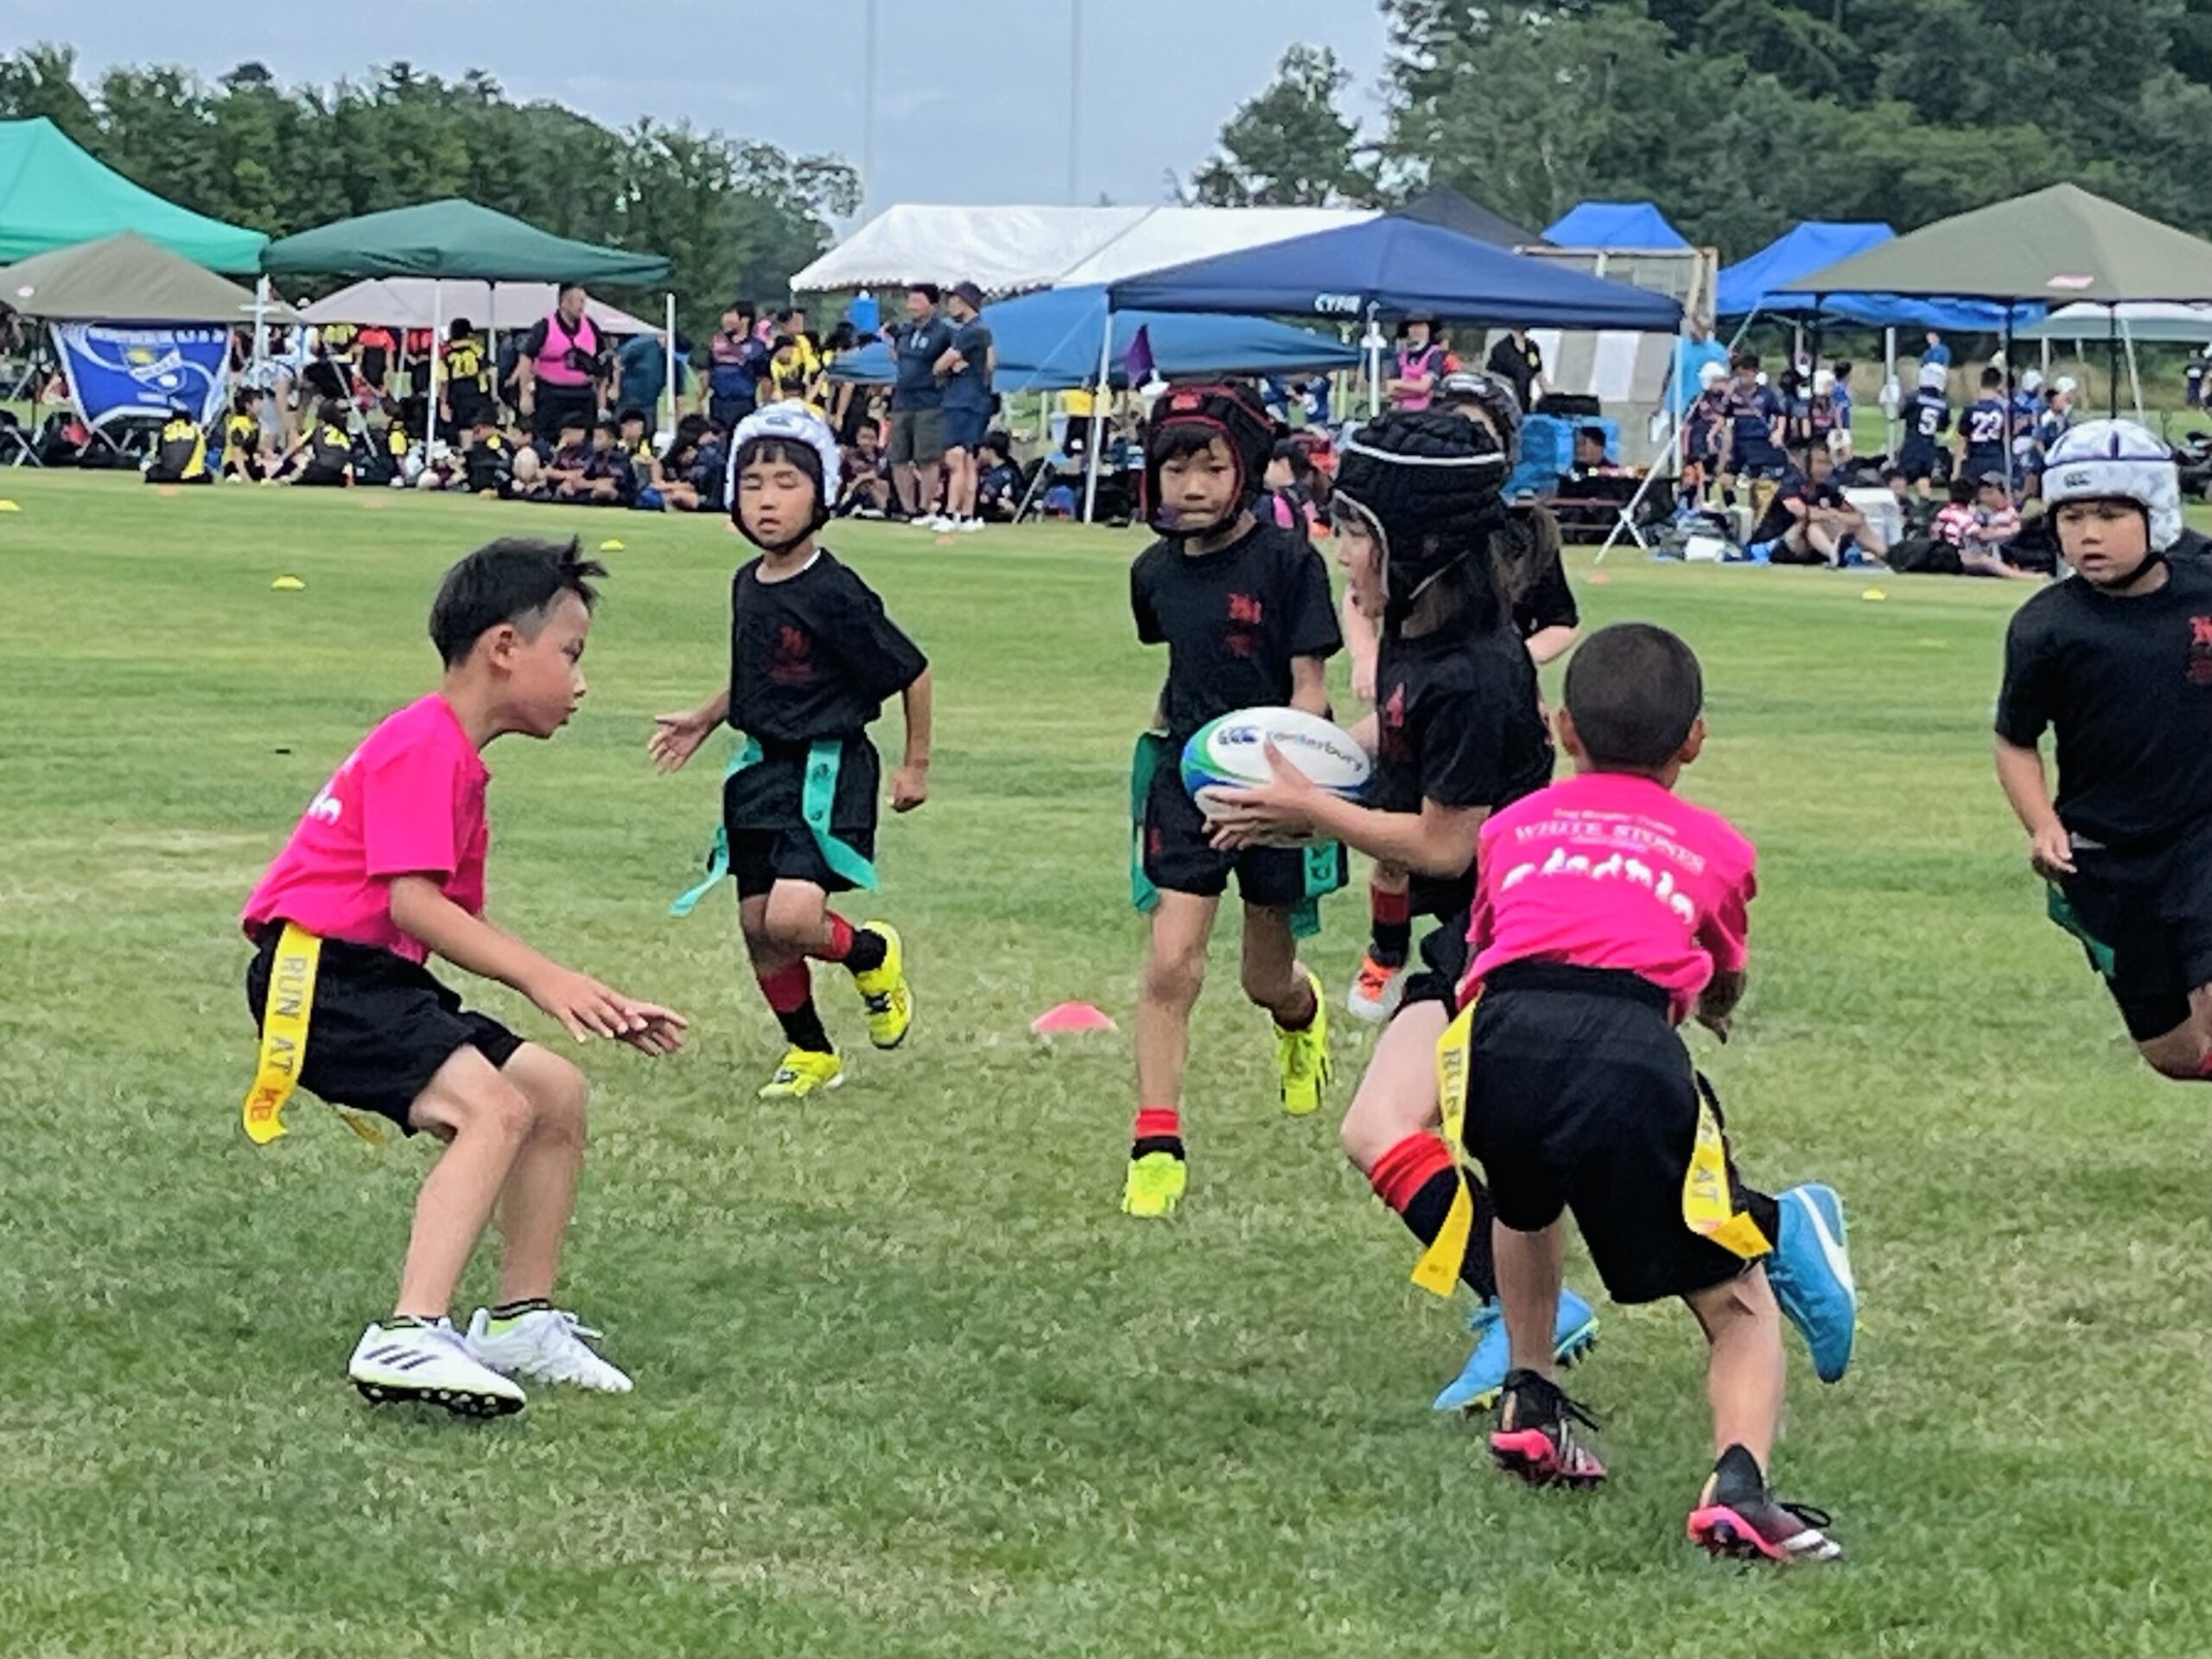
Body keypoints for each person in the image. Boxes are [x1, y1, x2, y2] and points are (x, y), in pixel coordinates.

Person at [1206, 410, 1606, 1408]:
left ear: (1414, 547)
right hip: (1471, 936)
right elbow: (1391, 746)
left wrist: (1309, 811)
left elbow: (1443, 844)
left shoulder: (1472, 673)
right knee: (1387, 1129)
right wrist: (1294, 770)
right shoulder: (1420, 643)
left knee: (1610, 1163)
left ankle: (1766, 1242)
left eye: (1353, 531)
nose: (1339, 551)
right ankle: (1527, 1308)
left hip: (1515, 940)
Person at [238, 538, 685, 1414]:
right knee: (495, 1110)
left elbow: (447, 918)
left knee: (552, 1092)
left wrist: (590, 996)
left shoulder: (452, 756)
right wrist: (545, 980)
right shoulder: (424, 745)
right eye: (572, 655)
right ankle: (409, 1333)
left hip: (373, 977)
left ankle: (520, 1321)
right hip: (323, 978)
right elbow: (414, 905)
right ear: (504, 648)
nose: (581, 683)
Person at [1465, 623, 1843, 1563]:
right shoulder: (1717, 846)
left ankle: (1529, 1397)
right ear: (1694, 740)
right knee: (1737, 1294)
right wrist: (1715, 1002)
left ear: (1563, 729)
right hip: (1626, 1047)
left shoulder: (1509, 827)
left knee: (1523, 1201)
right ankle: (1740, 1488)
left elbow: (1490, 939)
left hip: (1497, 1041)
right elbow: (1719, 967)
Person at [648, 405, 927, 1098]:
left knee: (793, 919)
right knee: (757, 926)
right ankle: (810, 1051)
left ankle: (872, 954)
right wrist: (705, 719)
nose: (767, 501)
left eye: (786, 483)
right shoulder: (747, 583)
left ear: (821, 493)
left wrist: (915, 765)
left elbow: (912, 671)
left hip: (827, 770)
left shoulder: (835, 591)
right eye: (752, 485)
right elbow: (758, 673)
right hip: (761, 772)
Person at [1121, 384, 1341, 1218]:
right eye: (1175, 470)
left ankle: (1301, 1016)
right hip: (1187, 782)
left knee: (1262, 978)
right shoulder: (1152, 573)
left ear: (1244, 470)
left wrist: (1288, 788)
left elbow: (1310, 687)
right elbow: (1180, 658)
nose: (1192, 487)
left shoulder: (1289, 563)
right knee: (1171, 963)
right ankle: (1156, 1146)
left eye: (1212, 468)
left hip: (1275, 789)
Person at [1994, 420, 2212, 1085]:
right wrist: (2044, 826)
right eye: (2072, 516)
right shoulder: (2045, 627)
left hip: (2201, 836)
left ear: (2158, 511)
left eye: (2110, 515)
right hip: (2108, 856)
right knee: (2177, 1055)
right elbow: (2015, 740)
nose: (2088, 534)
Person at [886, 284, 956, 523]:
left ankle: (925, 507)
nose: (912, 306)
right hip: (902, 401)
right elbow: (896, 355)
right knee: (898, 457)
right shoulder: (905, 331)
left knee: (927, 457)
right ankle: (908, 508)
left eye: (918, 301)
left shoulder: (943, 332)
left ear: (933, 306)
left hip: (930, 401)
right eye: (910, 301)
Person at [517, 283, 607, 446]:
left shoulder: (590, 325)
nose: (582, 307)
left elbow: (604, 358)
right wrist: (525, 393)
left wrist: (602, 396)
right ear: (564, 303)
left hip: (583, 393)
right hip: (551, 393)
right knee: (546, 439)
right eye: (579, 301)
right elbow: (526, 358)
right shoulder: (544, 326)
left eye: (584, 301)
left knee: (585, 439)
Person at [936, 281, 995, 533]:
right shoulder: (985, 331)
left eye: (953, 300)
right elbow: (991, 363)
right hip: (979, 400)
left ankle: (951, 513)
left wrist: (949, 367)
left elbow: (940, 364)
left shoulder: (969, 331)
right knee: (970, 459)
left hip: (962, 400)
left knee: (956, 457)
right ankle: (968, 514)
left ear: (964, 302)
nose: (950, 305)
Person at [1716, 352, 1785, 486]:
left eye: (1745, 375)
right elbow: (1724, 418)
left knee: (1760, 481)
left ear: (1755, 373)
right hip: (1740, 443)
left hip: (1761, 442)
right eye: (1738, 376)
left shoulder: (1766, 394)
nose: (1742, 379)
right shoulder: (1732, 396)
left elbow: (1780, 414)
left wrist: (1779, 432)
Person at [705, 304, 769, 430]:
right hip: (718, 403)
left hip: (743, 403)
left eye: (731, 316)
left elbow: (765, 379)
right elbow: (706, 372)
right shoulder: (717, 343)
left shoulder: (757, 347)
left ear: (745, 320)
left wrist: (766, 406)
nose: (726, 321)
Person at [1897, 362, 1952, 490]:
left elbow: (1900, 413)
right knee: (1924, 479)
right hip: (1930, 448)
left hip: (1912, 445)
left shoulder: (1913, 398)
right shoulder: (1943, 404)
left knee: (1902, 480)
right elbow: (1943, 427)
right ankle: (1924, 502)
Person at [281, 399, 355, 487]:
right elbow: (347, 459)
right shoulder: (344, 436)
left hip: (316, 473)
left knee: (300, 457)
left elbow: (295, 445)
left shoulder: (315, 431)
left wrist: (280, 460)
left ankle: (291, 478)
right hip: (336, 477)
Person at [441, 318, 494, 439]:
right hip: (478, 394)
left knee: (461, 429)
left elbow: (443, 380)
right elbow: (488, 370)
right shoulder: (477, 349)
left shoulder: (446, 353)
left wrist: (443, 404)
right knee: (480, 427)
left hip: (456, 396)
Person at [1960, 365, 2010, 488]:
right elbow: (2006, 437)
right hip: (1995, 457)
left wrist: (1956, 470)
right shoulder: (2003, 410)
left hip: (1976, 458)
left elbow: (1962, 441)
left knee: (1975, 494)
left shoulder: (1970, 409)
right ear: (1998, 385)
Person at [1388, 315, 1449, 411]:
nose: (1416, 330)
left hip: (1427, 412)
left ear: (1429, 330)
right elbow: (1391, 390)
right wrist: (1417, 390)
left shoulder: (1434, 355)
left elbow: (1424, 387)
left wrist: (1399, 384)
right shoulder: (1401, 356)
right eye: (1413, 326)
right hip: (1401, 411)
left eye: (1421, 326)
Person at [146, 402, 211, 485]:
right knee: (206, 472)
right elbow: (202, 454)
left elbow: (158, 454)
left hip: (168, 475)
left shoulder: (166, 430)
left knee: (153, 471)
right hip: (194, 477)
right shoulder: (197, 432)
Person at [1485, 325, 1544, 415]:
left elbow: (1538, 372)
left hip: (1524, 402)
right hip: (1506, 404)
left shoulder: (1532, 347)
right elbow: (1492, 377)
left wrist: (1548, 395)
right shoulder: (1501, 349)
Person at [975, 430, 1024, 522]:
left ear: (991, 451)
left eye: (982, 449)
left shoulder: (1001, 475)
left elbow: (984, 499)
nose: (979, 453)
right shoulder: (1008, 470)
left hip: (994, 516)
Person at [221, 389, 264, 482]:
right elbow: (237, 453)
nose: (261, 406)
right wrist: (246, 478)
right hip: (234, 465)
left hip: (249, 462)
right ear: (248, 406)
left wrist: (270, 454)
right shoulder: (238, 424)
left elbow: (257, 446)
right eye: (258, 403)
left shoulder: (255, 423)